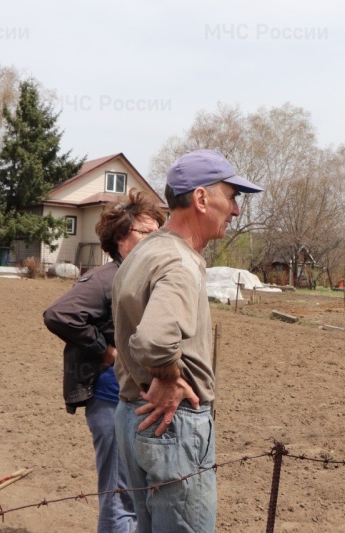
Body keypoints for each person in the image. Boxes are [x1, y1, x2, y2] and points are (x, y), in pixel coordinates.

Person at [112, 149, 263, 532]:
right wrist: (169, 377)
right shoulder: (179, 262)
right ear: (200, 199)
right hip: (171, 425)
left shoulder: (144, 251)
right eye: (231, 197)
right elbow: (154, 341)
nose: (235, 210)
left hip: (133, 415)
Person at [43, 189, 165, 533]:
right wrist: (104, 350)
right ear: (122, 238)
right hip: (110, 401)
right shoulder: (106, 278)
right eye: (147, 232)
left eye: (160, 232)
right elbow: (59, 314)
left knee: (139, 494)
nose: (155, 239)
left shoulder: (146, 276)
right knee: (120, 495)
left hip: (143, 402)